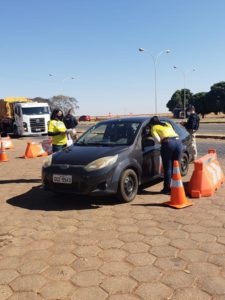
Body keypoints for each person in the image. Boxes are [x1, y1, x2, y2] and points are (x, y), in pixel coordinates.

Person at [149, 116, 183, 194]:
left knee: (168, 168)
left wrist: (164, 142)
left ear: (152, 123)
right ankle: (177, 187)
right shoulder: (167, 124)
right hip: (178, 142)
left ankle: (167, 189)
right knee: (176, 167)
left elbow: (157, 140)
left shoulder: (154, 127)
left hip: (168, 143)